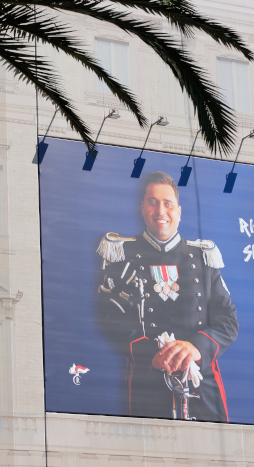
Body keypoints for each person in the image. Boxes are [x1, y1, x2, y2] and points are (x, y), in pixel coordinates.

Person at [97, 171, 238, 422]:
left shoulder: (203, 258)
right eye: (153, 201)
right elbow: (110, 314)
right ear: (142, 208)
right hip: (147, 379)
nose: (160, 210)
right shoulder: (122, 253)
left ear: (179, 211)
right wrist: (151, 353)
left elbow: (227, 320)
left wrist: (196, 347)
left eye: (167, 203)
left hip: (201, 381)